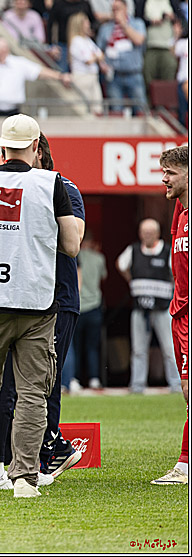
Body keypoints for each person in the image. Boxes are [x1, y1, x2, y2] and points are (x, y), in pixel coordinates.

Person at [0, 114, 80, 499]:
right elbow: (71, 246)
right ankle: (25, 478)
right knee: (33, 394)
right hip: (37, 303)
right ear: (37, 147)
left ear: (1, 148)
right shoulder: (51, 183)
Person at [0, 133, 87, 488]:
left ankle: (47, 456)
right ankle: (31, 453)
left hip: (57, 297)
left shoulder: (62, 186)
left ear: (37, 152)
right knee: (14, 382)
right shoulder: (12, 187)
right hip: (22, 296)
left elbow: (74, 238)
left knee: (45, 380)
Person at [152, 145, 189, 485]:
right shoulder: (179, 212)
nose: (164, 178)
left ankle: (184, 464)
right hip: (178, 313)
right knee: (186, 391)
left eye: (171, 172)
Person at [117, 218, 181, 393]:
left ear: (158, 234)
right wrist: (133, 282)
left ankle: (176, 384)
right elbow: (121, 264)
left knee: (170, 349)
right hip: (140, 309)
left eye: (150, 233)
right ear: (140, 233)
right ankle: (137, 386)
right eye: (144, 233)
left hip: (163, 308)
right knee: (138, 350)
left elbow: (177, 272)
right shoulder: (134, 250)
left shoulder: (167, 251)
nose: (147, 236)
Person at [0, 37, 71, 116]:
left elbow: (39, 72)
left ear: (4, 49)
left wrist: (60, 76)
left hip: (12, 112)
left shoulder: (19, 63)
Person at [65, 236, 107, 391]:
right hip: (94, 306)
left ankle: (74, 378)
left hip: (77, 306)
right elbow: (103, 276)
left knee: (73, 346)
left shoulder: (74, 256)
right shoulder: (99, 258)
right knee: (92, 346)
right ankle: (94, 378)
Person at [97, 0, 148, 113]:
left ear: (126, 9)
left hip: (134, 74)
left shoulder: (137, 23)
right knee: (116, 111)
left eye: (118, 9)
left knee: (140, 110)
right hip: (114, 76)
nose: (115, 12)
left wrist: (123, 24)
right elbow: (99, 52)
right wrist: (102, 65)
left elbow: (138, 40)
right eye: (113, 9)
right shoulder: (105, 28)